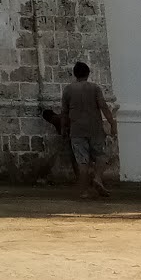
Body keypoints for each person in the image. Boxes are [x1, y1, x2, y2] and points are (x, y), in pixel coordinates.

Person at [59, 61, 116, 198]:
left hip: (77, 129)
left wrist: (63, 128)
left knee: (82, 161)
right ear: (88, 73)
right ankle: (97, 177)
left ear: (75, 74)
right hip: (94, 128)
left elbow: (64, 112)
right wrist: (112, 122)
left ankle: (84, 191)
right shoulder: (94, 88)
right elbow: (103, 106)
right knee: (101, 156)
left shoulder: (68, 90)